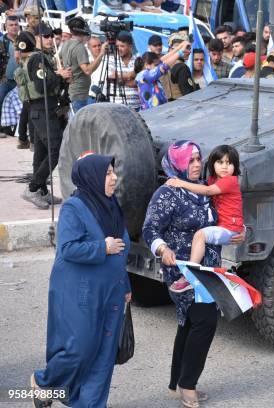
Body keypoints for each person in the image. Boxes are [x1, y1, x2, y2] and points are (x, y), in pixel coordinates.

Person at [142, 140, 245, 408]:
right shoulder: (167, 193)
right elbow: (150, 229)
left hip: (208, 268)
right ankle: (188, 384)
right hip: (182, 271)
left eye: (199, 158)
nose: (197, 164)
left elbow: (228, 216)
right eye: (190, 160)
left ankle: (178, 381)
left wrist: (241, 233)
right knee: (205, 321)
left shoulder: (207, 190)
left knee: (189, 322)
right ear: (177, 164)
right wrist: (162, 248)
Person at [31, 153, 131, 408]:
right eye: (108, 173)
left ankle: (91, 404)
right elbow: (67, 248)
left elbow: (123, 250)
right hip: (80, 292)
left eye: (113, 173)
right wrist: (102, 247)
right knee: (80, 350)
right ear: (92, 177)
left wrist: (126, 286)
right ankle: (44, 383)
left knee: (105, 353)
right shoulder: (74, 208)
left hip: (112, 292)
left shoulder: (112, 207)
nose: (114, 178)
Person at [165, 144, 244, 293]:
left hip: (229, 229)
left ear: (235, 166)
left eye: (229, 163)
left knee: (200, 235)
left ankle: (189, 275)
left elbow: (207, 191)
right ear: (212, 163)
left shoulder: (230, 181)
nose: (225, 167)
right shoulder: (214, 179)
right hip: (227, 228)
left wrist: (179, 182)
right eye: (220, 162)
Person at [14, 31, 69, 209]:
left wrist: (60, 78)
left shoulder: (31, 59)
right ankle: (33, 188)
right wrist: (60, 75)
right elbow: (41, 85)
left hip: (37, 110)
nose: (49, 39)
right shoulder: (37, 59)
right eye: (45, 36)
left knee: (41, 152)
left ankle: (42, 191)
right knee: (56, 147)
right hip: (43, 109)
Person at [60, 17, 106, 113]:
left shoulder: (66, 44)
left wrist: (65, 72)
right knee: (82, 126)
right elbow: (87, 70)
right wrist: (101, 53)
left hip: (72, 92)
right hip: (79, 94)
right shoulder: (79, 47)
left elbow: (59, 60)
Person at [134, 41, 190, 111]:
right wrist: (180, 53)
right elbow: (164, 66)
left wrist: (179, 47)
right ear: (147, 65)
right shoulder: (144, 75)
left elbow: (162, 60)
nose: (158, 66)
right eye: (156, 65)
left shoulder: (148, 73)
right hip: (152, 115)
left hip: (158, 112)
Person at [159, 33, 197, 102]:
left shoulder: (162, 65)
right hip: (181, 108)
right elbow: (190, 96)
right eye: (188, 48)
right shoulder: (182, 68)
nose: (190, 51)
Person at [107, 31, 139, 110]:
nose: (119, 49)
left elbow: (139, 81)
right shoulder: (111, 59)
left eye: (122, 46)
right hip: (117, 106)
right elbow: (111, 77)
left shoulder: (137, 60)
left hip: (136, 106)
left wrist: (120, 79)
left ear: (130, 47)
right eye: (117, 46)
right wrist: (130, 75)